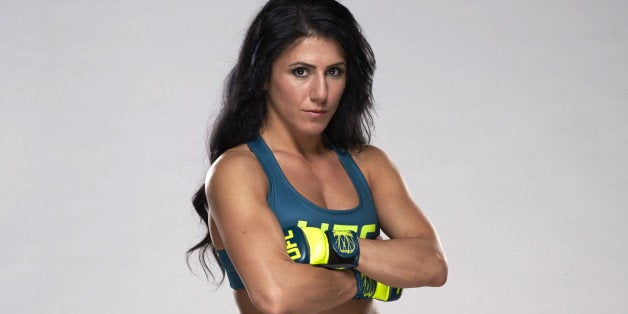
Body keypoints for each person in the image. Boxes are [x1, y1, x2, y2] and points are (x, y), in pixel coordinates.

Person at [188, 0, 447, 313]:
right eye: (301, 72)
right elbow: (278, 296)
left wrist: (332, 247)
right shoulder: (238, 171)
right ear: (264, 76)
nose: (321, 93)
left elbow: (432, 264)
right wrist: (364, 280)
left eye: (334, 72)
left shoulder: (368, 164)